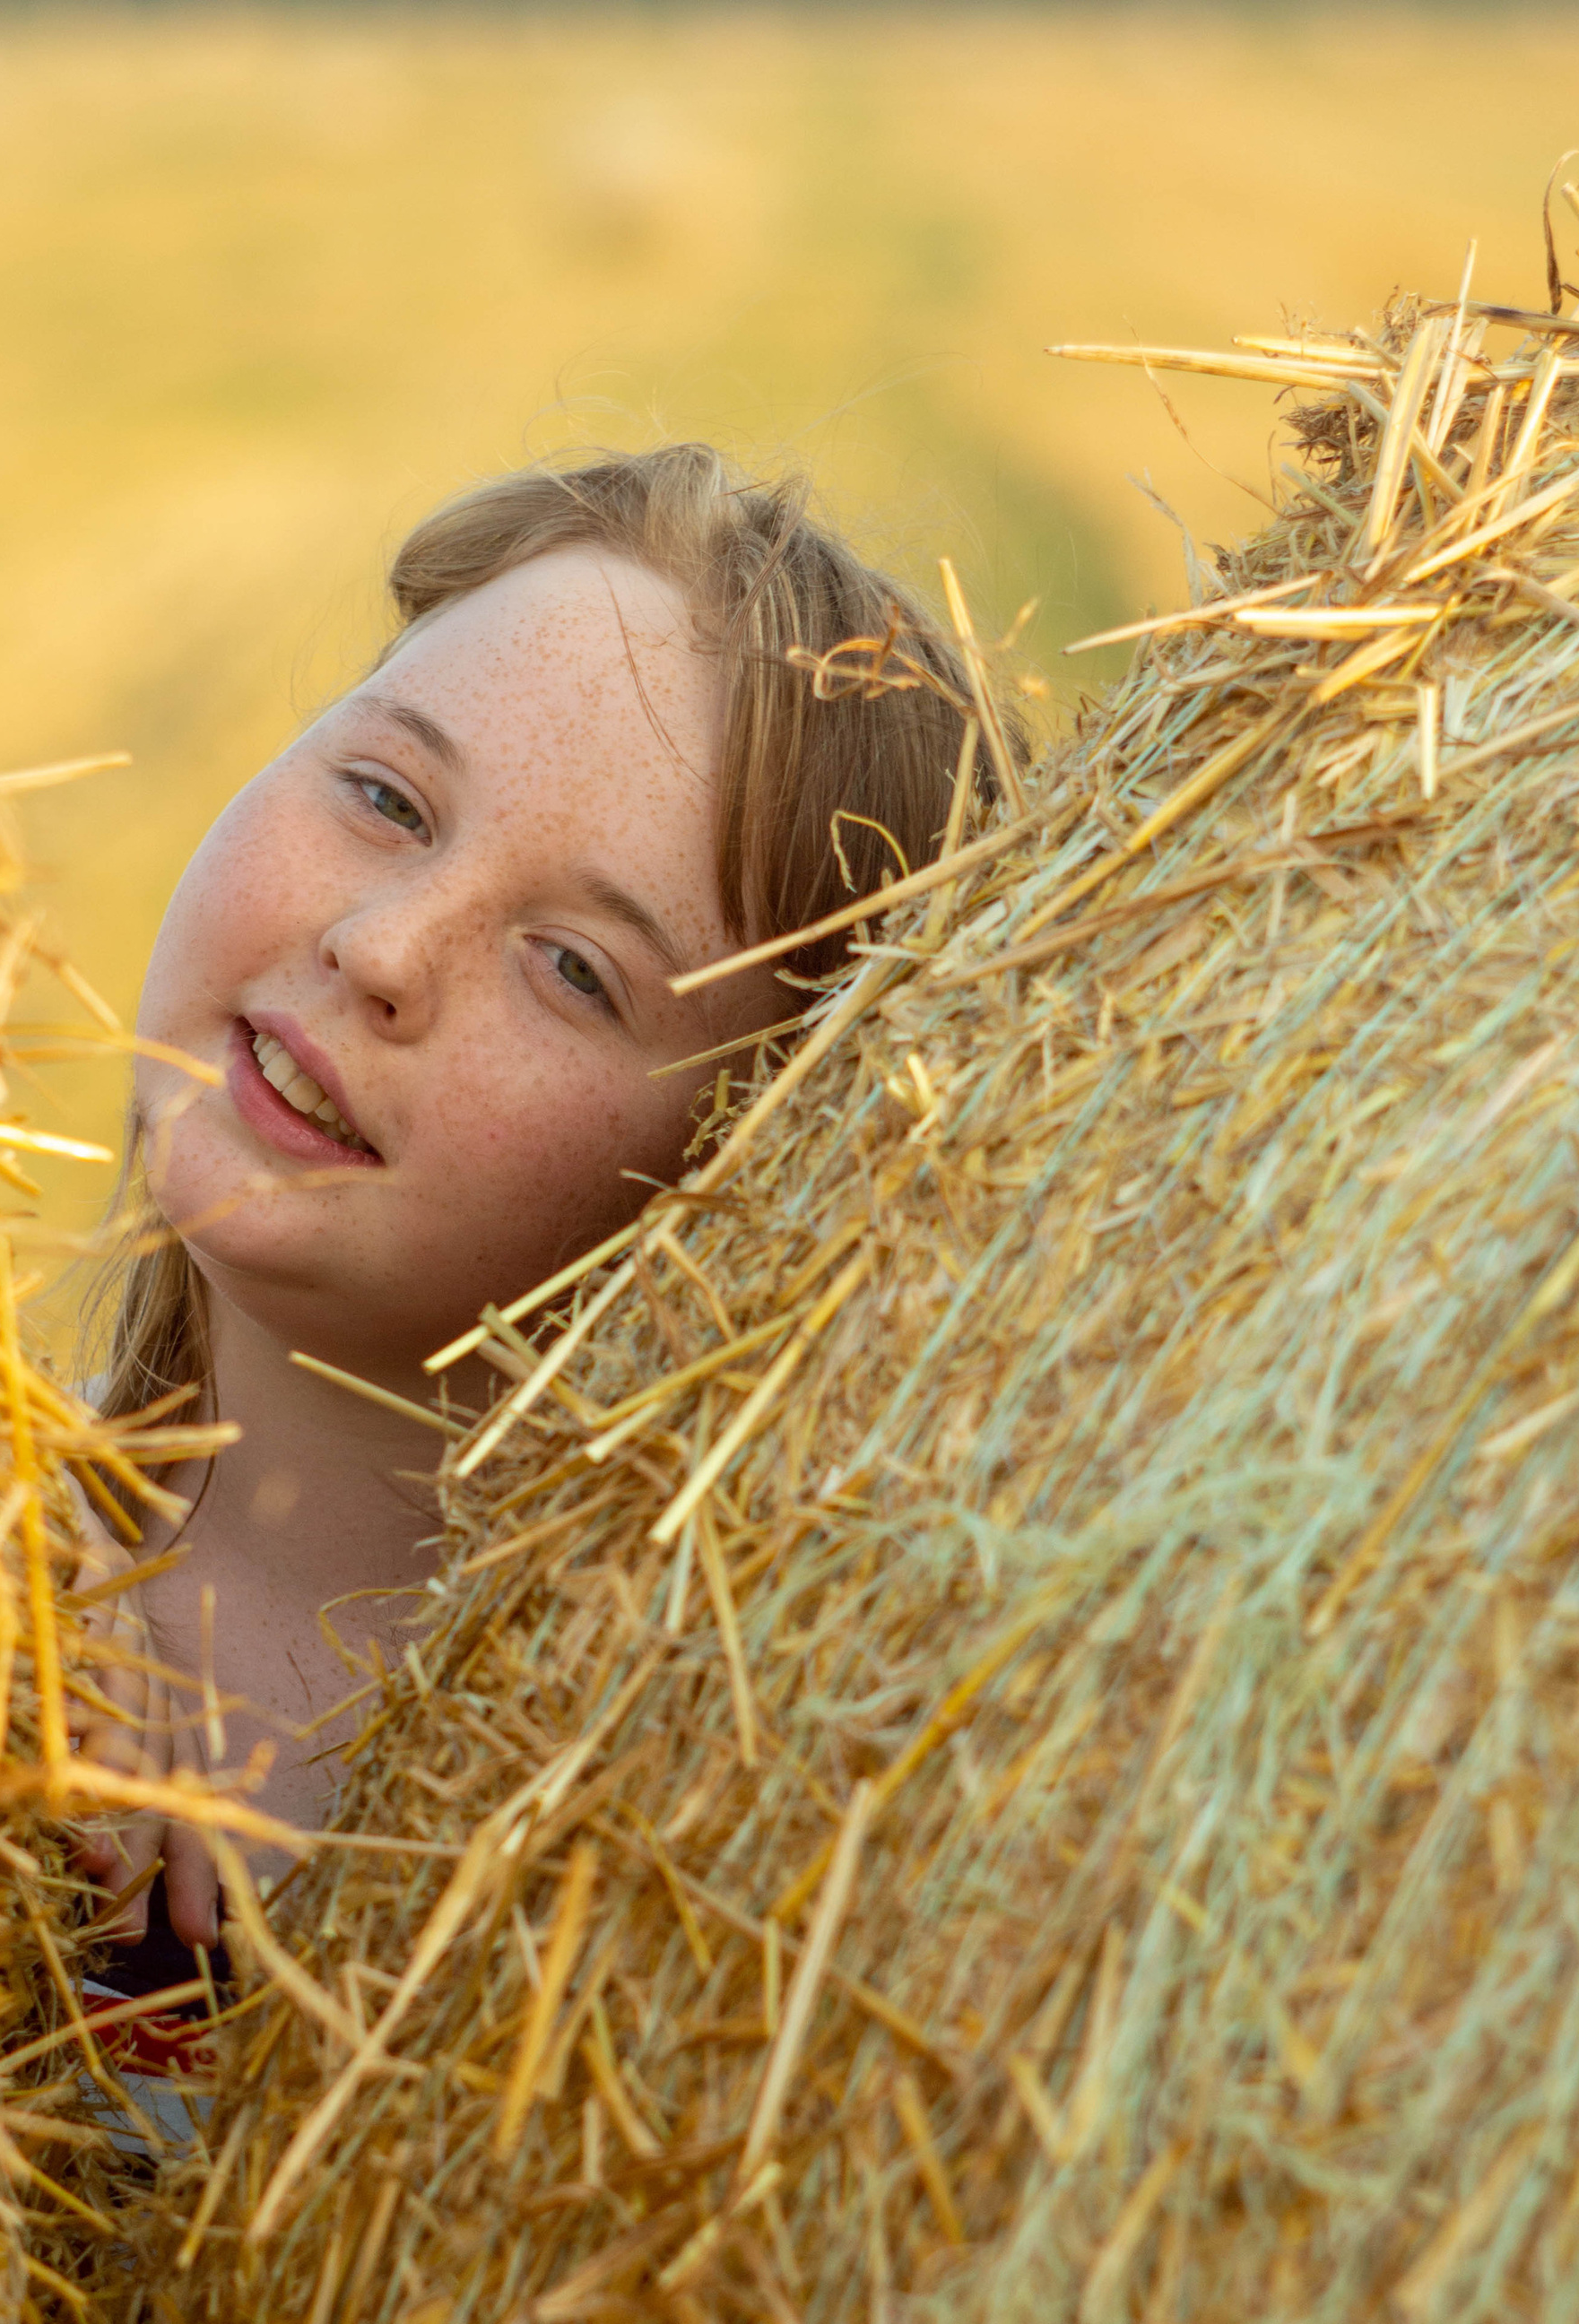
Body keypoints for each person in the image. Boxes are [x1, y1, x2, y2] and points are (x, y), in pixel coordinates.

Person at [69, 443, 1002, 2055]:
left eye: (573, 968)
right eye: (387, 799)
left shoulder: (696, 1895)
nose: (382, 948)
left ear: (748, 1174)